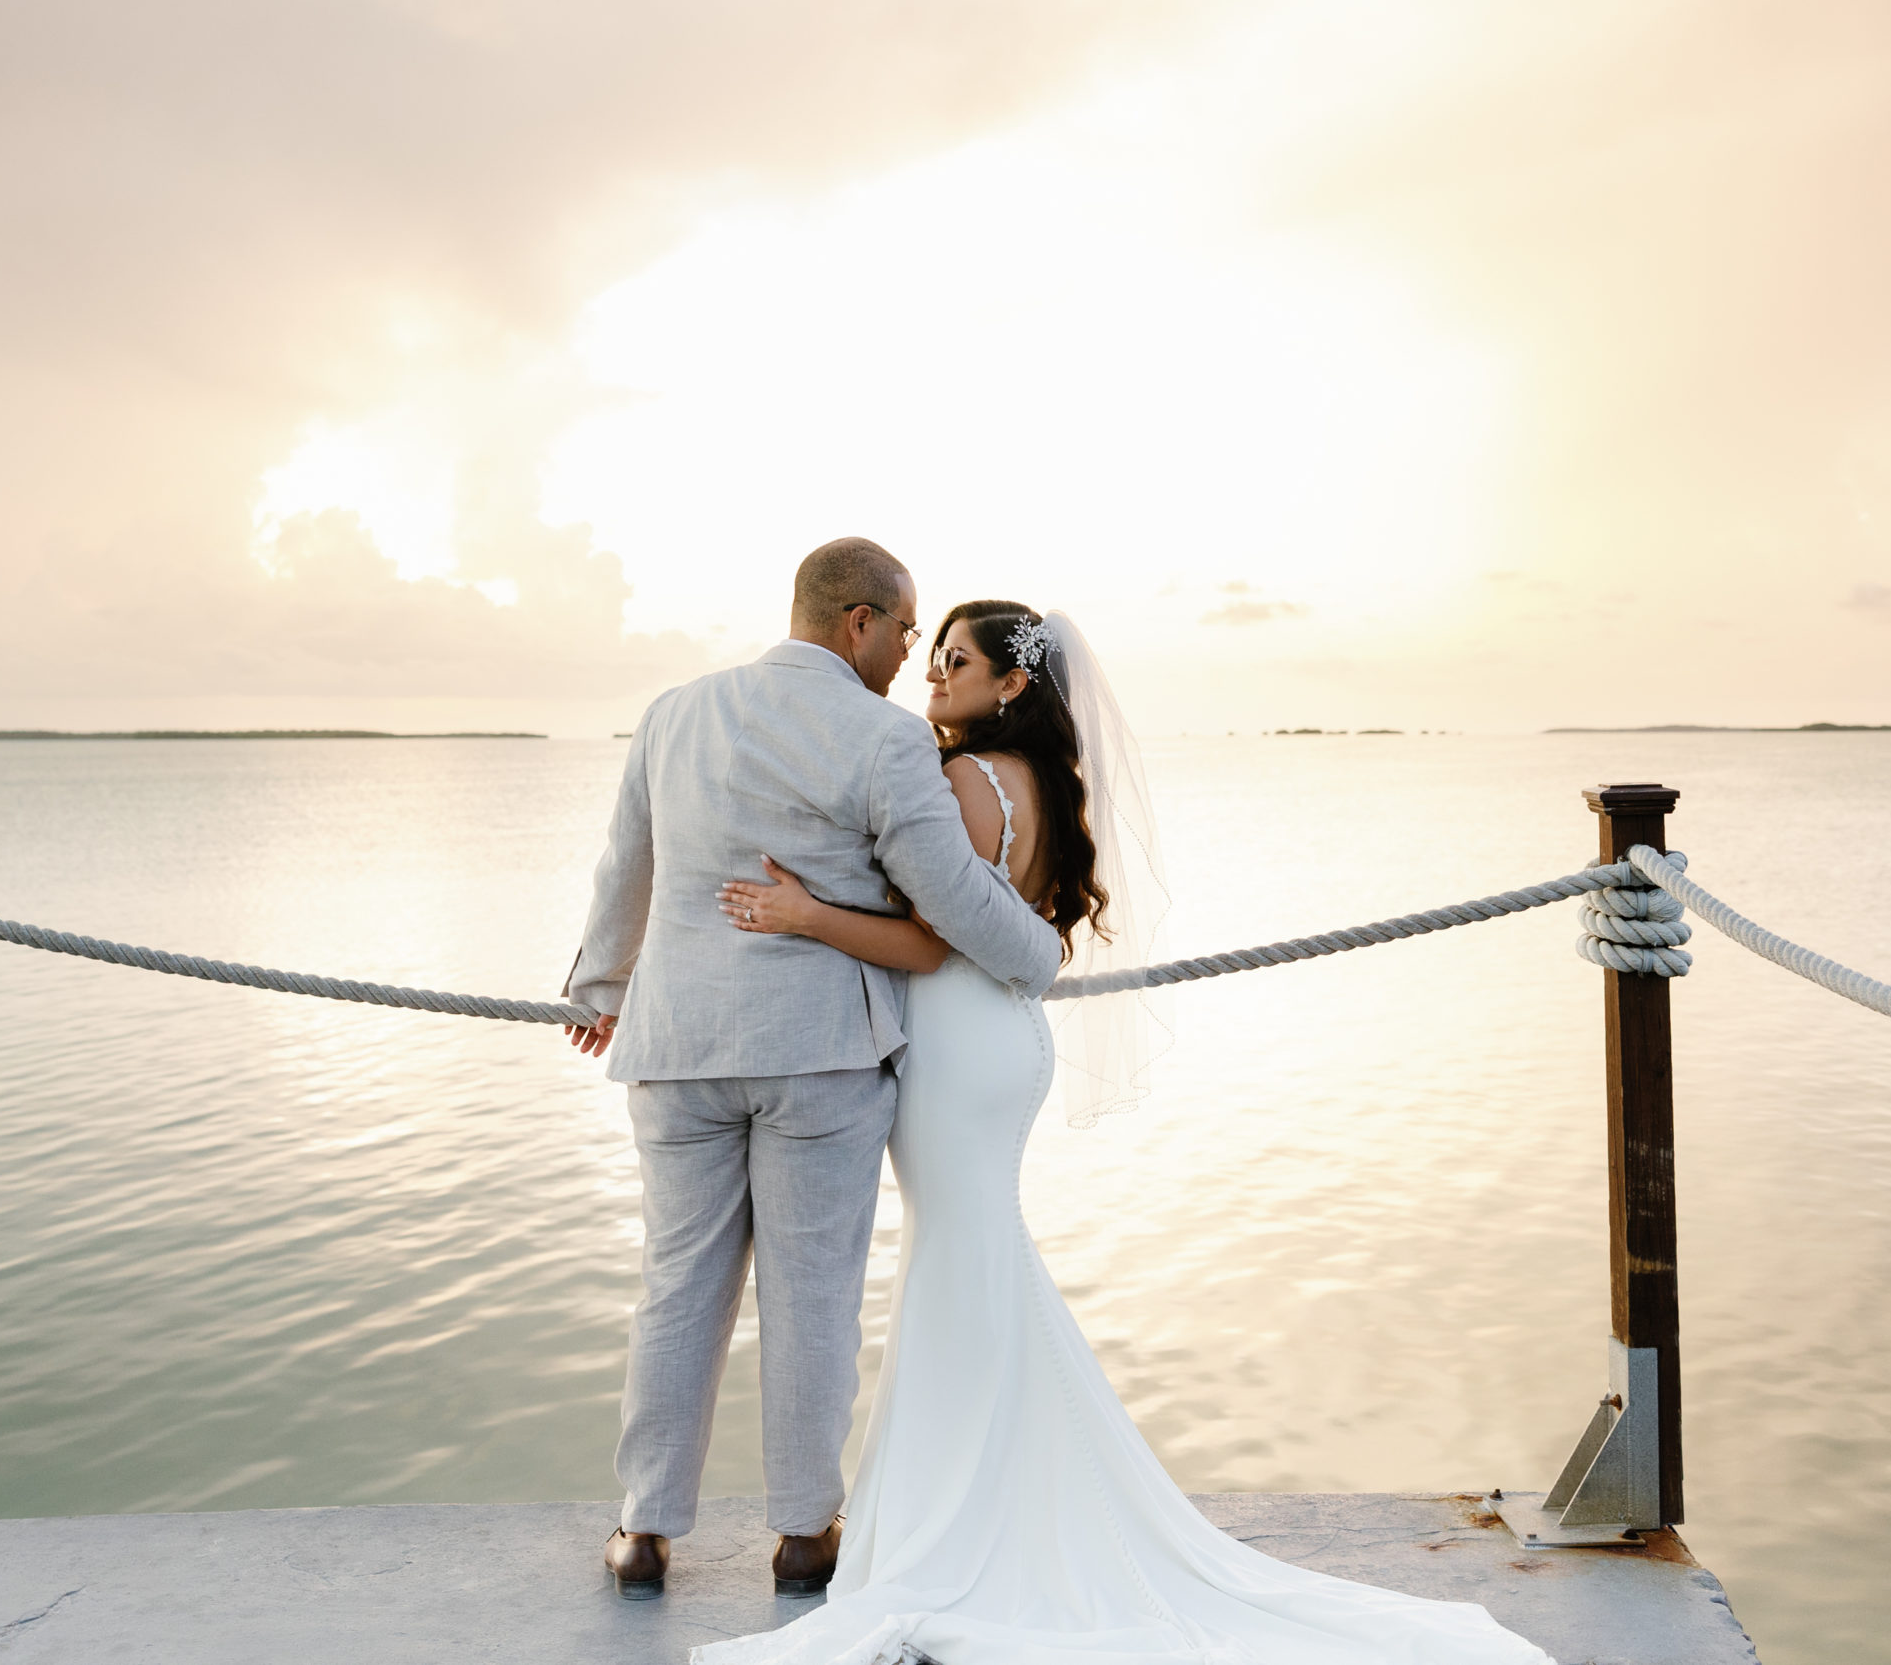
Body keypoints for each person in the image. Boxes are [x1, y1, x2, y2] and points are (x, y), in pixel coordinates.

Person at [693, 603, 1556, 1664]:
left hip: (958, 1048)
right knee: (971, 1259)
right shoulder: (1043, 784)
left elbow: (926, 938)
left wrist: (804, 915)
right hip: (997, 1042)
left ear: (1011, 683)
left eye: (954, 661)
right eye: (933, 658)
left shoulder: (965, 783)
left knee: (960, 1261)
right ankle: (983, 1496)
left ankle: (959, 1521)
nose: (933, 678)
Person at [565, 540, 1064, 1601]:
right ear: (857, 621)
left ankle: (644, 1529)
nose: (905, 659)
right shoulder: (881, 737)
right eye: (900, 629)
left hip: (680, 1044)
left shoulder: (673, 712)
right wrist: (1040, 953)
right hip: (822, 1053)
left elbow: (627, 862)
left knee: (676, 1287)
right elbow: (955, 899)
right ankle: (801, 1535)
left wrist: (599, 991)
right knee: (813, 1297)